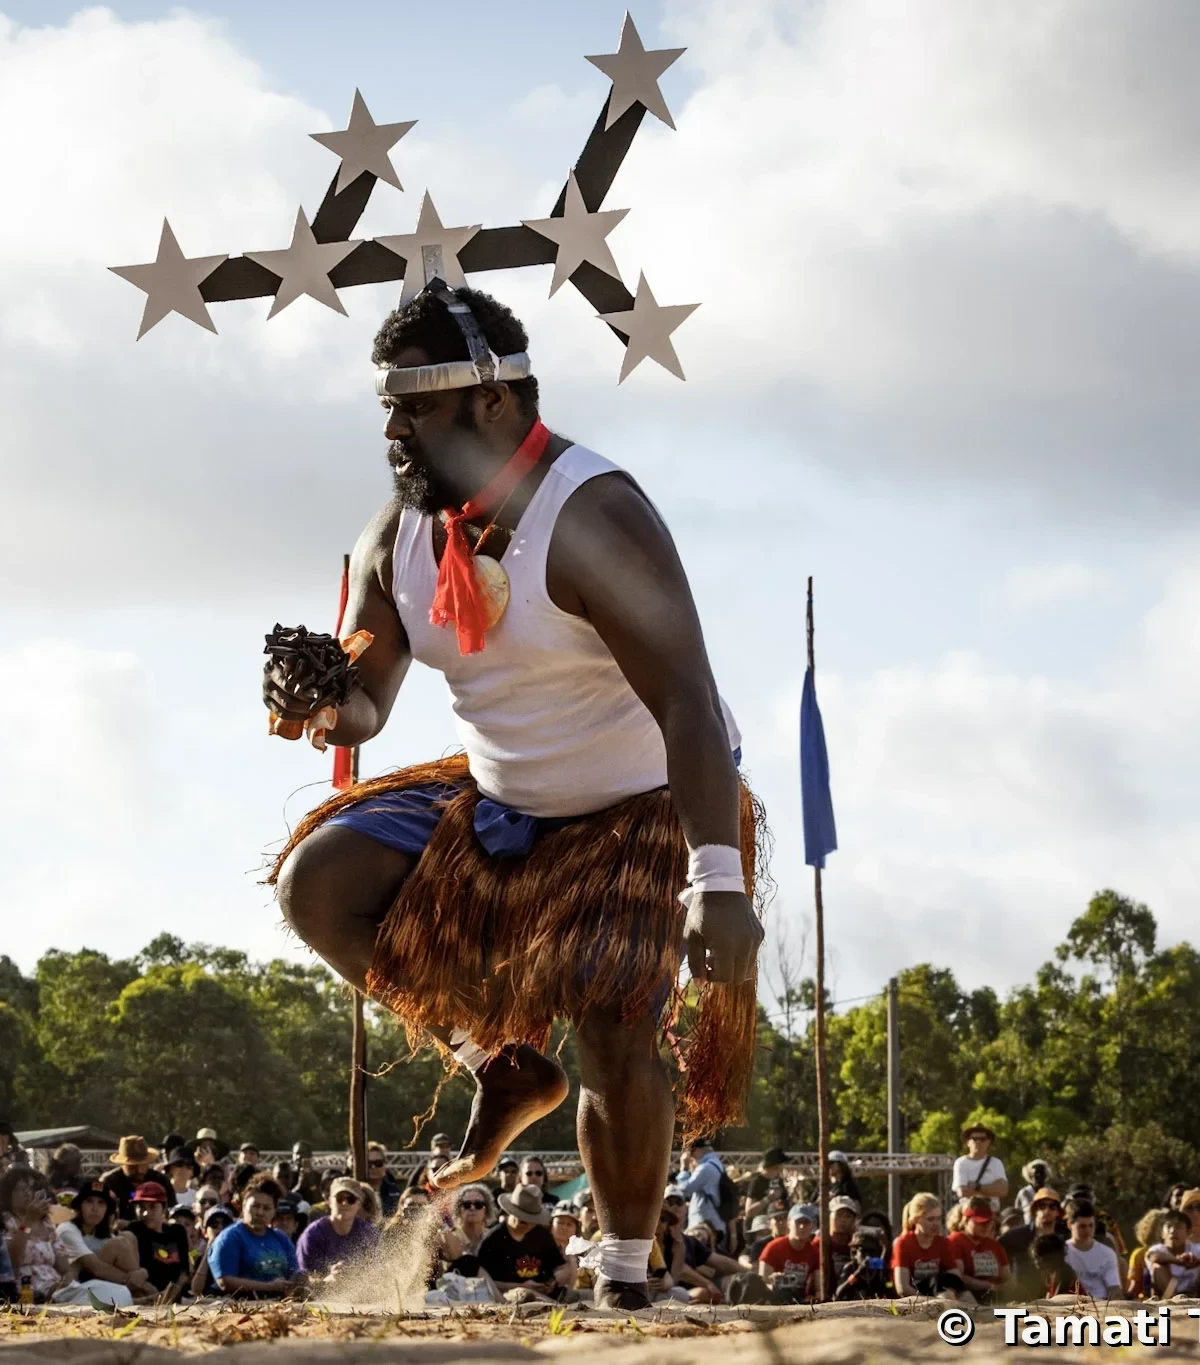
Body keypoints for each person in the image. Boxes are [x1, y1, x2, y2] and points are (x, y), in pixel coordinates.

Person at [268, 283, 763, 1315]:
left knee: (613, 1023)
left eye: (416, 407)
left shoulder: (593, 516)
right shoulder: (395, 533)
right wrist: (323, 702)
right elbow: (368, 701)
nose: (394, 428)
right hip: (496, 797)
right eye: (388, 409)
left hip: (637, 803)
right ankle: (499, 1063)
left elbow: (688, 700)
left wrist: (714, 877)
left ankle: (624, 1278)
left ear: (493, 403)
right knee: (317, 882)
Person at [206, 1186, 300, 1297]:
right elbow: (224, 1282)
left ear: (274, 1211)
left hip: (278, 1305)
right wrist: (269, 1287)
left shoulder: (280, 1238)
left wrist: (300, 1279)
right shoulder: (229, 1238)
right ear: (244, 1206)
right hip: (236, 1306)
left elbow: (294, 1271)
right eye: (255, 1206)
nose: (260, 1212)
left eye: (266, 1208)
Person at [478, 1184, 566, 1301]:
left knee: (586, 1296)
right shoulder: (492, 1241)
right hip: (510, 1297)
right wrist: (520, 1286)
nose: (529, 1226)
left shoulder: (543, 1234)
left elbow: (559, 1267)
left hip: (550, 1294)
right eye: (523, 1221)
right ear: (511, 1212)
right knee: (528, 1295)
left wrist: (553, 1281)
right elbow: (483, 1283)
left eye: (533, 1221)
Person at [1, 1166, 71, 1304]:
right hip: (29, 1292)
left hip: (56, 1289)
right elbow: (14, 1259)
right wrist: (28, 1222)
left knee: (109, 1290)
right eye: (21, 1189)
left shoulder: (45, 1223)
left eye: (31, 1189)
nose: (28, 1193)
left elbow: (63, 1266)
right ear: (9, 1194)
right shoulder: (6, 1221)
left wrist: (68, 1276)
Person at [296, 1176, 378, 1278]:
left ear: (358, 1205)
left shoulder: (368, 1233)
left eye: (351, 1199)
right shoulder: (312, 1236)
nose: (344, 1203)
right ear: (330, 1202)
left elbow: (377, 1274)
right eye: (340, 1198)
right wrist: (330, 1280)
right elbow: (305, 1282)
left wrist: (356, 1275)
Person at [125, 1181, 190, 1297]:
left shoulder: (177, 1232)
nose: (146, 1213)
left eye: (153, 1207)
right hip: (146, 1295)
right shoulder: (133, 1231)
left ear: (164, 1209)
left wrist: (175, 1292)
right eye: (141, 1207)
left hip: (178, 1295)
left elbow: (184, 1271)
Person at [892, 1193, 960, 1298]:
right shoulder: (903, 1243)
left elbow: (955, 1277)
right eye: (931, 1219)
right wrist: (931, 1301)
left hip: (938, 1290)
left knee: (964, 1295)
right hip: (913, 1298)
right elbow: (903, 1288)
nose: (936, 1224)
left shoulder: (942, 1242)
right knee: (945, 1297)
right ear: (916, 1220)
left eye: (938, 1218)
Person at [946, 1196, 1009, 1303]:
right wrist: (987, 1285)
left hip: (995, 1295)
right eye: (980, 1222)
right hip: (969, 1294)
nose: (985, 1226)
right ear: (966, 1220)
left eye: (988, 1222)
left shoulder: (993, 1244)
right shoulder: (955, 1241)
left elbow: (1007, 1275)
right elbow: (958, 1277)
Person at [755, 1203, 821, 1303]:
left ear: (813, 1226)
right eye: (798, 1222)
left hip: (801, 1299)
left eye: (806, 1222)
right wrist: (773, 1281)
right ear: (789, 1223)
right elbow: (761, 1284)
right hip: (775, 1299)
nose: (802, 1226)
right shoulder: (773, 1248)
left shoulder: (814, 1252)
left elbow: (819, 1289)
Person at [1062, 1199, 1122, 1300]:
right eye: (1082, 1226)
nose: (1088, 1230)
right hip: (1070, 1304)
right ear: (1069, 1225)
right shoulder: (1062, 1253)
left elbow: (1114, 1288)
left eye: (1091, 1225)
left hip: (1102, 1304)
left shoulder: (1107, 1253)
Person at [677, 1137, 731, 1237]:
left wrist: (684, 1168)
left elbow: (684, 1190)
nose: (690, 1157)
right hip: (715, 1222)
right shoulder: (717, 1164)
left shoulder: (705, 1168)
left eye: (690, 1153)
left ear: (697, 1150)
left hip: (703, 1226)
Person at [1145, 1211, 1200, 1298]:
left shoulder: (1195, 1249)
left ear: (1188, 1232)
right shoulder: (1156, 1249)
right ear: (1162, 1233)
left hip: (1193, 1292)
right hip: (1166, 1296)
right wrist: (1179, 1261)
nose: (1173, 1231)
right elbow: (1153, 1256)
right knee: (1158, 1266)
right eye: (1169, 1227)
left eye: (1179, 1227)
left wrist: (1197, 1261)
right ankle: (1174, 1299)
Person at [950, 1125, 1009, 1212]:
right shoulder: (961, 1163)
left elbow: (1003, 1190)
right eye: (974, 1138)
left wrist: (976, 1187)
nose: (978, 1142)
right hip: (968, 1212)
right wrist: (991, 1189)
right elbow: (962, 1192)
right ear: (968, 1142)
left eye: (982, 1139)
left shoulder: (996, 1163)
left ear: (988, 1142)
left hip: (991, 1211)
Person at [442, 1185, 493, 1279]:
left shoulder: (492, 1238)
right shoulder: (450, 1237)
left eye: (478, 1205)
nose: (472, 1208)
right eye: (467, 1205)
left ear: (486, 1210)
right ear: (459, 1209)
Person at [100, 1136, 151, 1209]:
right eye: (133, 1166)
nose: (139, 1170)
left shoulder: (159, 1180)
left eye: (143, 1165)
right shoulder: (109, 1182)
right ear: (122, 1164)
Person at [365, 1142, 402, 1216]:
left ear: (385, 1164)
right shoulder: (356, 1191)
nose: (373, 1167)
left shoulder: (395, 1191)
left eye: (378, 1163)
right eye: (369, 1164)